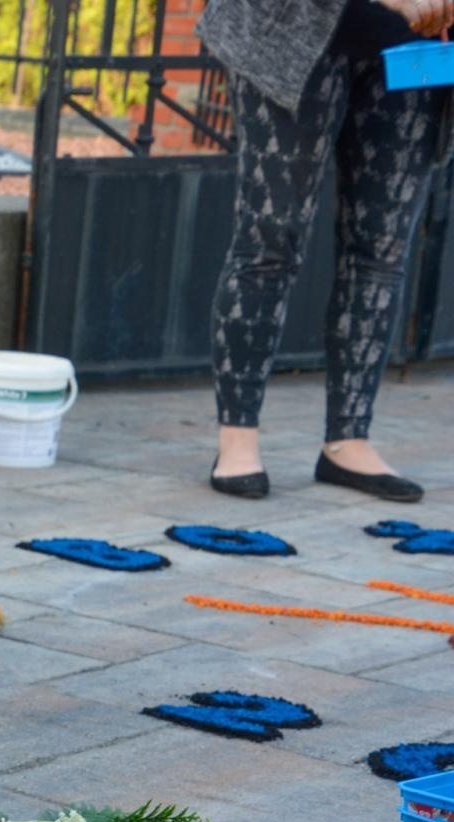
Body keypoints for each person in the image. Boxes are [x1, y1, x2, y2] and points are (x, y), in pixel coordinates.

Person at [200, 0, 453, 501]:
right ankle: (238, 439)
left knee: (381, 252)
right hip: (292, 28)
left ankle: (348, 441)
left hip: (414, 47)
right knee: (270, 239)